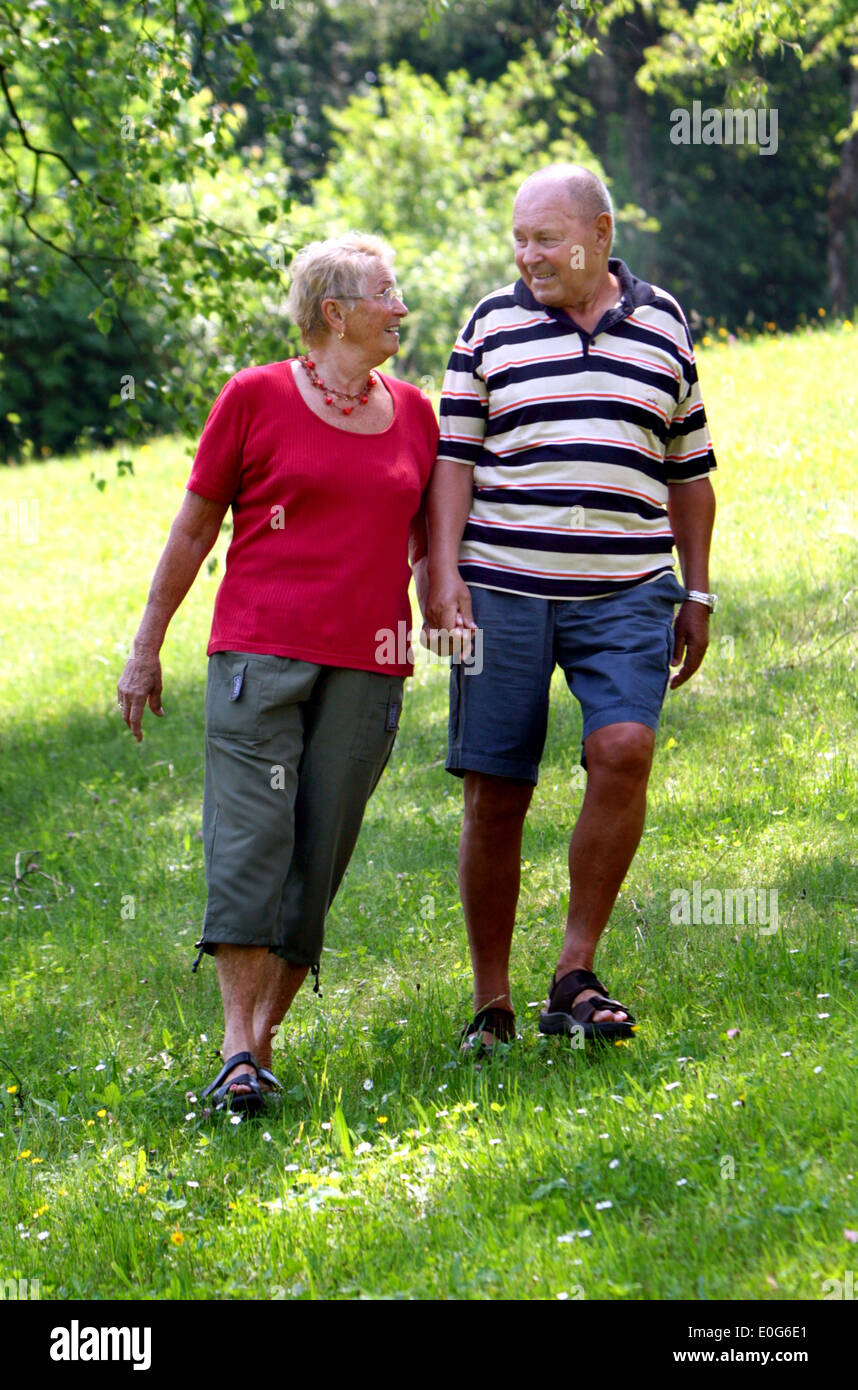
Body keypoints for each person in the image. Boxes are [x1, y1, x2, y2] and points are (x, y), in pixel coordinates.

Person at [117, 233, 437, 1112]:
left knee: (318, 856)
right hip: (259, 655)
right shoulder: (253, 397)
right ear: (335, 312)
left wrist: (449, 604)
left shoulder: (415, 411)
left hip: (370, 666)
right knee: (252, 845)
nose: (401, 309)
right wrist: (146, 648)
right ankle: (236, 1046)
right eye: (387, 294)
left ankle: (254, 1053)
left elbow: (426, 541)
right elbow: (193, 530)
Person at [425, 164, 717, 1051]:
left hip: (628, 588)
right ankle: (491, 1001)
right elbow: (451, 463)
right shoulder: (489, 323)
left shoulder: (663, 321)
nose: (528, 255)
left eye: (545, 238)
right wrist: (442, 575)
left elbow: (691, 470)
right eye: (519, 238)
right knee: (497, 790)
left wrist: (697, 588)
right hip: (504, 586)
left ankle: (574, 973)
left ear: (601, 233)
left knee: (624, 747)